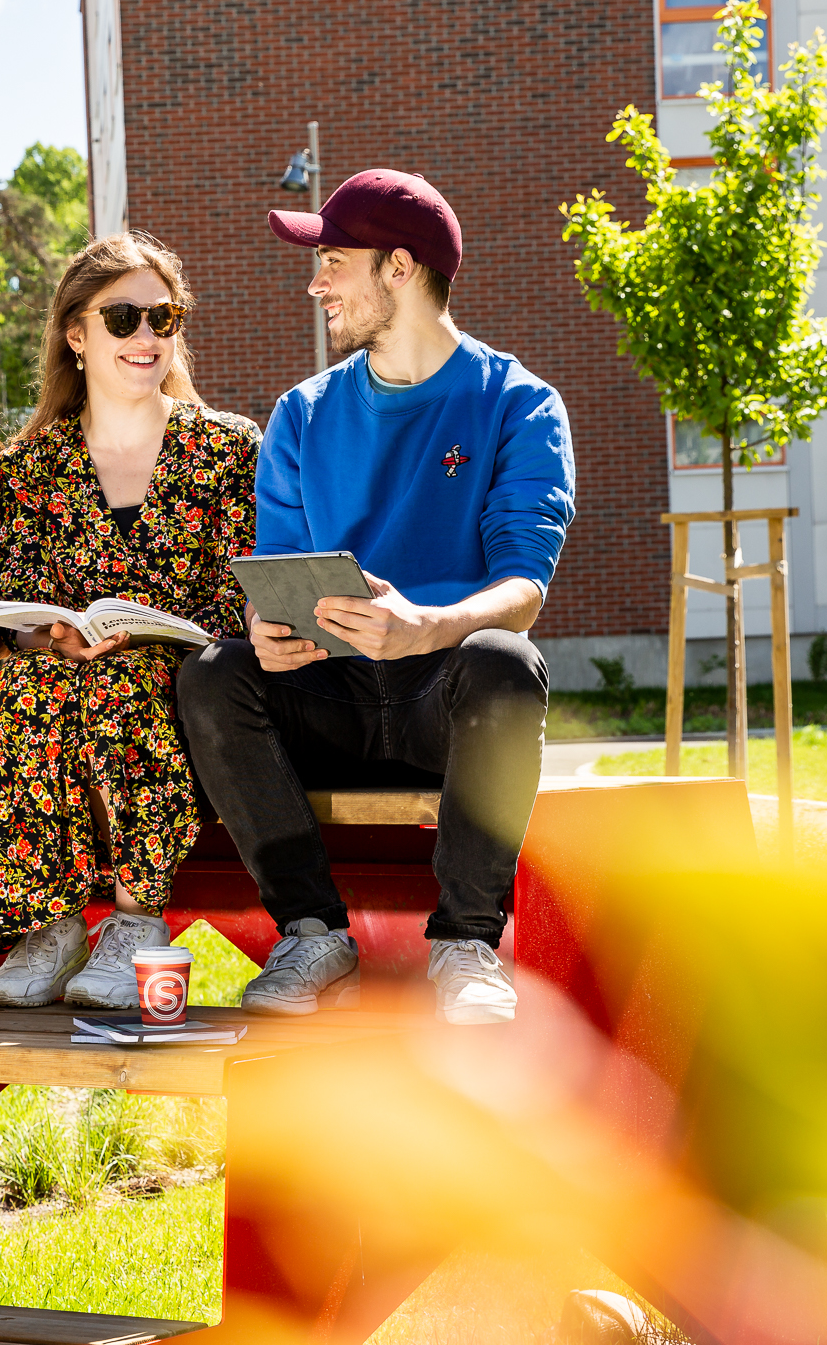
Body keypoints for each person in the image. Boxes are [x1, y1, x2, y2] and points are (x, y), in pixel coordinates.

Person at [177, 170, 575, 1024]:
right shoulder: (303, 414)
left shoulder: (518, 405)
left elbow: (523, 588)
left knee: (507, 659)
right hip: (329, 693)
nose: (316, 282)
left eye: (334, 262)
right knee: (214, 672)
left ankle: (466, 943)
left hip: (445, 699)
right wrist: (266, 627)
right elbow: (276, 564)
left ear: (400, 268)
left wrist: (428, 624)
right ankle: (311, 932)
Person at [0, 233, 259, 1008]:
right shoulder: (30, 466)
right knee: (26, 679)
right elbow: (17, 595)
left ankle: (134, 917)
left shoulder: (227, 449)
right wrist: (49, 633)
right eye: (122, 318)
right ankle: (50, 922)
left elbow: (239, 591)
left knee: (124, 678)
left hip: (189, 678)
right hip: (67, 669)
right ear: (76, 334)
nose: (147, 336)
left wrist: (159, 631)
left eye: (164, 316)